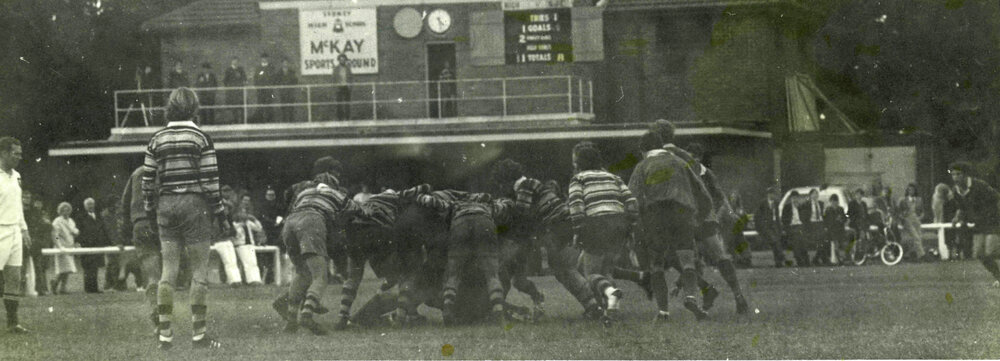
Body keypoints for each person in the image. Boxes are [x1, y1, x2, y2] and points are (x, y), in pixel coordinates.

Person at [142, 87, 228, 349]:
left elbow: (147, 181)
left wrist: (150, 210)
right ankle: (199, 334)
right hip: (195, 206)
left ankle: (165, 335)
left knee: (168, 271)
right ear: (194, 108)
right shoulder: (201, 138)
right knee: (199, 271)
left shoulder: (157, 138)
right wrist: (220, 213)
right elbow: (211, 181)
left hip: (166, 205)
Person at [489, 159, 603, 320]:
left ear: (506, 179)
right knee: (564, 268)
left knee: (564, 269)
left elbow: (521, 215)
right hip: (563, 222)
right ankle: (594, 304)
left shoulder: (524, 187)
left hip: (555, 225)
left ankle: (593, 306)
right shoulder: (532, 183)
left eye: (502, 184)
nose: (502, 188)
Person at [652, 121, 747, 314]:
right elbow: (701, 184)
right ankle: (738, 295)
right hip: (702, 212)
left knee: (675, 257)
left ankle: (706, 289)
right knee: (719, 255)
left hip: (681, 214)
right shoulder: (688, 157)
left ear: (655, 137)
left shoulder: (657, 159)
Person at [627, 133, 710, 321]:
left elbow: (632, 197)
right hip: (682, 213)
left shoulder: (642, 166)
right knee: (687, 260)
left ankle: (663, 312)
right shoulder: (680, 163)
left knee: (656, 264)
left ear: (643, 150)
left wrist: (635, 222)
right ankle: (691, 297)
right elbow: (702, 192)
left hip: (656, 215)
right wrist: (699, 218)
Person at [278, 172, 362, 335]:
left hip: (290, 224)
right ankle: (307, 315)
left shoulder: (304, 192)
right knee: (320, 275)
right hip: (311, 221)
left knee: (302, 272)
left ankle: (291, 320)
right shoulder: (334, 193)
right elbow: (357, 210)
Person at [567, 141, 639, 320]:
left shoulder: (578, 179)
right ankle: (611, 310)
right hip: (619, 224)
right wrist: (629, 226)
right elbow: (632, 202)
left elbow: (576, 207)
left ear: (578, 163)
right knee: (605, 270)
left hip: (596, 225)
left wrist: (578, 232)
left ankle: (610, 293)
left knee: (590, 273)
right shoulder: (613, 177)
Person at [121, 166, 161, 332]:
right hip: (162, 223)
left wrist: (127, 229)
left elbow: (124, 202)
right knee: (169, 271)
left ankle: (155, 309)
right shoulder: (167, 169)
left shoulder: (136, 172)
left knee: (152, 274)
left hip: (140, 224)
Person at [948, 162, 1000, 287]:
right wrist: (956, 217)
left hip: (993, 221)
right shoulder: (956, 191)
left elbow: (997, 198)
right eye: (953, 174)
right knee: (979, 254)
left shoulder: (979, 185)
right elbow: (961, 207)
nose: (955, 177)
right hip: (979, 223)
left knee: (990, 251)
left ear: (965, 175)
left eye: (958, 174)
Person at [0, 137, 29, 333]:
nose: (19, 157)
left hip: (15, 232)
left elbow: (18, 206)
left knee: (14, 277)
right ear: (3, 153)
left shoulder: (17, 176)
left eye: (20, 153)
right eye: (15, 153)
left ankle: (13, 323)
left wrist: (24, 229)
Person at [76, 197, 108, 294]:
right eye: (88, 204)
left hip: (97, 245)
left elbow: (103, 229)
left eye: (92, 204)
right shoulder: (80, 217)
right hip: (86, 245)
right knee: (88, 268)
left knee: (95, 267)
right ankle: (88, 288)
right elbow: (78, 231)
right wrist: (79, 243)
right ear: (85, 206)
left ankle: (95, 288)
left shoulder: (98, 216)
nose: (90, 206)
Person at [232, 194, 263, 286]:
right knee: (246, 262)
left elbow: (259, 228)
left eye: (245, 213)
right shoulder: (235, 224)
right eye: (242, 213)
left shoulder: (248, 223)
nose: (244, 215)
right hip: (240, 244)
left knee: (253, 262)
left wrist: (254, 219)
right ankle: (251, 280)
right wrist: (239, 225)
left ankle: (256, 280)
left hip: (250, 244)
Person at [51, 202, 78, 295]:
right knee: (63, 269)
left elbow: (74, 231)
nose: (66, 212)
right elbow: (55, 235)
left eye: (68, 210)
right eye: (64, 210)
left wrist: (75, 233)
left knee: (68, 269)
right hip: (61, 247)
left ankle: (63, 288)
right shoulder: (57, 221)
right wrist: (58, 245)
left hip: (70, 246)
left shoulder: (71, 221)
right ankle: (55, 283)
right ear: (60, 211)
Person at [756, 187, 786, 267]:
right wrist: (761, 226)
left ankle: (778, 262)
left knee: (776, 243)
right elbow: (758, 216)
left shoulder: (776, 203)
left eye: (774, 194)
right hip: (766, 227)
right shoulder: (762, 203)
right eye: (772, 194)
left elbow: (777, 215)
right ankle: (781, 256)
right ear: (768, 194)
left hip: (775, 225)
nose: (774, 196)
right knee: (775, 241)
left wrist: (779, 227)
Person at [897, 183, 928, 261]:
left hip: (916, 220)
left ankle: (911, 255)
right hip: (907, 220)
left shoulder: (919, 200)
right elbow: (898, 212)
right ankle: (922, 255)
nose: (911, 191)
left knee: (919, 237)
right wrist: (903, 218)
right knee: (916, 237)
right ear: (907, 191)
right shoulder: (903, 200)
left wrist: (920, 218)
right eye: (909, 190)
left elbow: (922, 212)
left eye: (913, 190)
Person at [782, 191, 807, 267]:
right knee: (796, 240)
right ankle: (800, 260)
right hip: (792, 226)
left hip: (800, 225)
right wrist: (786, 228)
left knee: (801, 241)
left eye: (796, 198)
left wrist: (799, 208)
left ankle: (804, 259)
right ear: (791, 199)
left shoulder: (801, 206)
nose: (795, 199)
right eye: (793, 198)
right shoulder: (787, 207)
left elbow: (804, 218)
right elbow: (784, 219)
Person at [822, 194, 848, 265]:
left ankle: (841, 258)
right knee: (835, 244)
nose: (834, 203)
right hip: (832, 230)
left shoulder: (841, 209)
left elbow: (845, 218)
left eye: (835, 201)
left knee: (842, 244)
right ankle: (838, 259)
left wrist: (841, 220)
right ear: (830, 202)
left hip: (840, 229)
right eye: (832, 201)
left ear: (837, 202)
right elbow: (826, 220)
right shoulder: (828, 210)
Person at [804, 189, 825, 266]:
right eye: (814, 194)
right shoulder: (807, 204)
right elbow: (805, 217)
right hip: (812, 224)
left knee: (823, 241)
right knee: (817, 242)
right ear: (810, 195)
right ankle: (816, 259)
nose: (815, 195)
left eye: (817, 194)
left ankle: (817, 258)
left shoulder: (821, 203)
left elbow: (822, 214)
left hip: (820, 223)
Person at [223, 57, 247, 123]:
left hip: (240, 92)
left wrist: (242, 84)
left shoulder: (240, 69)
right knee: (234, 107)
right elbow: (225, 81)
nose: (235, 62)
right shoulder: (228, 70)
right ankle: (235, 121)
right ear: (231, 61)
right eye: (234, 61)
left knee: (241, 107)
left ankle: (243, 121)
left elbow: (245, 79)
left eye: (236, 61)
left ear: (238, 62)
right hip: (232, 93)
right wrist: (230, 88)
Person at [254, 54, 277, 123]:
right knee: (260, 106)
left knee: (269, 105)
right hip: (260, 91)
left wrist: (270, 86)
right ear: (261, 59)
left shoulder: (271, 68)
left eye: (265, 58)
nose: (264, 60)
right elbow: (255, 79)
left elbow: (274, 78)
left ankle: (270, 121)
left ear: (267, 59)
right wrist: (258, 87)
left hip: (269, 91)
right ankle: (260, 121)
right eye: (263, 58)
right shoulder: (258, 68)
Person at [332, 54, 352, 121]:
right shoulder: (336, 69)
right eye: (341, 59)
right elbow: (333, 78)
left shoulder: (348, 68)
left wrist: (350, 85)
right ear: (339, 60)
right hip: (339, 87)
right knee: (339, 103)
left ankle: (347, 118)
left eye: (343, 59)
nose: (342, 61)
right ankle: (339, 118)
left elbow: (351, 77)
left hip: (346, 87)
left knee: (347, 103)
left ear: (345, 60)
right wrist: (336, 86)